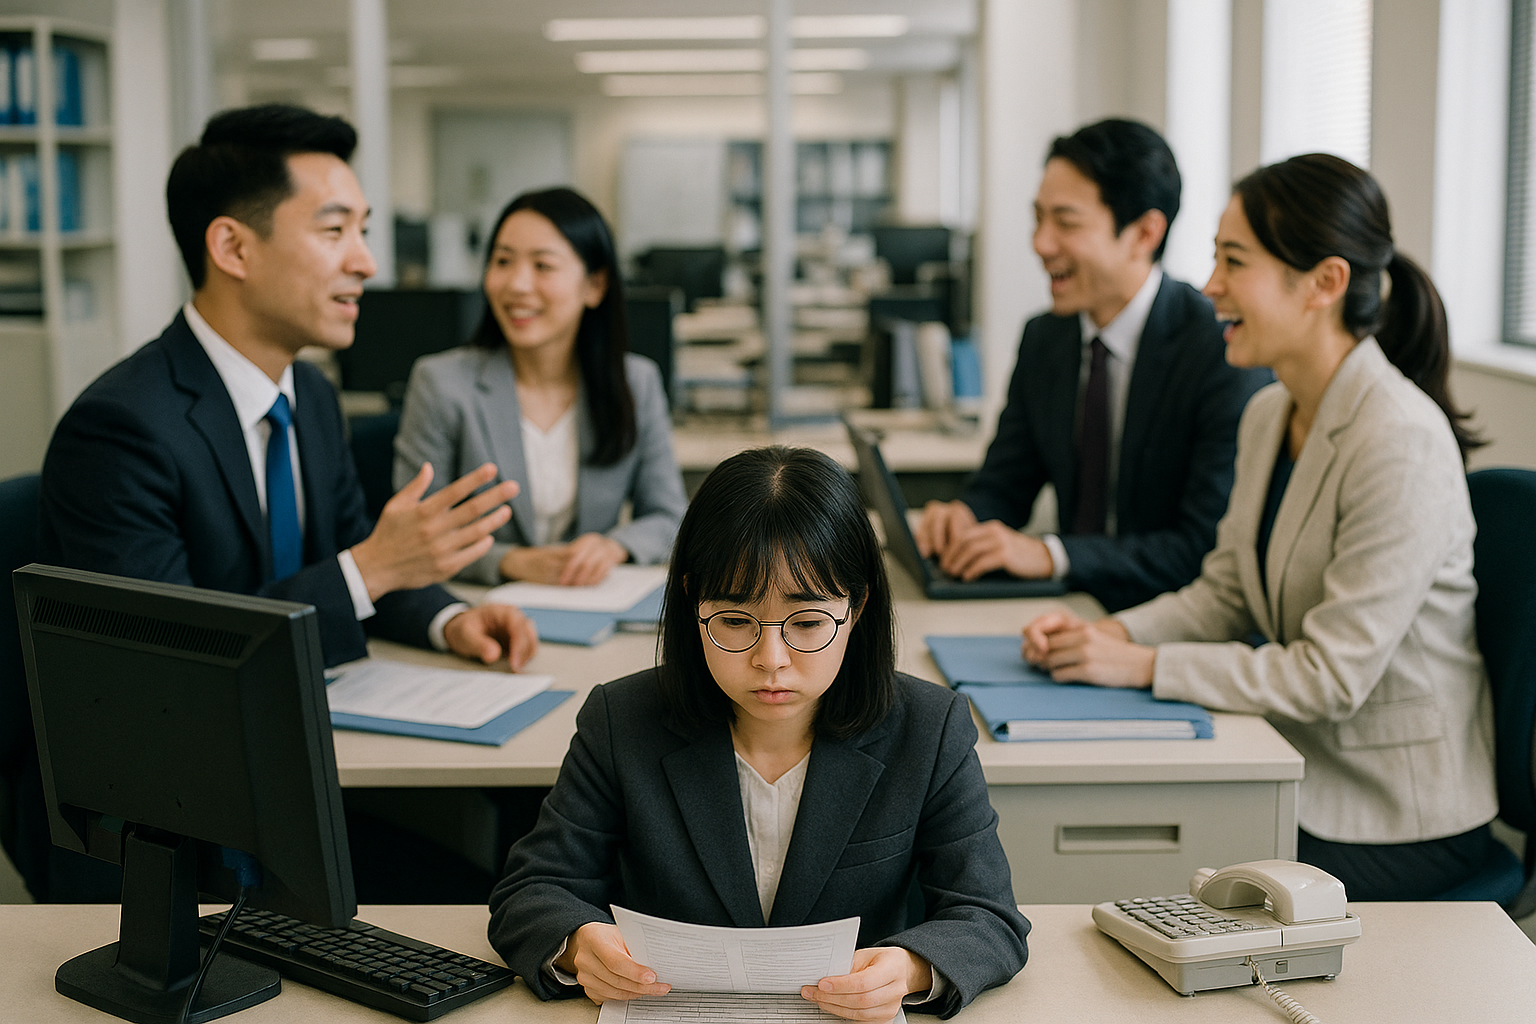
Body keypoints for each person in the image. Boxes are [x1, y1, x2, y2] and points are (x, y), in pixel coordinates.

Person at [1021, 153, 1499, 901]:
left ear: (1324, 283)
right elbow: (1226, 595)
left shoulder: (1400, 439)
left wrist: (1145, 667)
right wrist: (1116, 634)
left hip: (1390, 817)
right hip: (1287, 762)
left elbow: (1329, 676)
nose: (1210, 285)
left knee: (1138, 868)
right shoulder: (1269, 414)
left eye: (1233, 262)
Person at [488, 446, 1030, 1020]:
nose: (771, 660)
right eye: (734, 621)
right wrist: (576, 945)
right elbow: (531, 891)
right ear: (692, 601)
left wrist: (911, 966)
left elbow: (989, 917)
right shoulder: (622, 720)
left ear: (859, 606)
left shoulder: (929, 727)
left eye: (808, 622)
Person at [39, 103, 538, 672]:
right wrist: (372, 567)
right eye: (334, 230)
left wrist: (448, 619)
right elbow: (168, 654)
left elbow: (349, 560)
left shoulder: (311, 395)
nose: (367, 262)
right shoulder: (120, 428)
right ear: (232, 249)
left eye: (363, 230)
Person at [916, 118, 1270, 612]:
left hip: (1166, 623)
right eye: (1038, 218)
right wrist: (964, 518)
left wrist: (1050, 554)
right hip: (1066, 614)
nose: (1041, 243)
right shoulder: (1046, 337)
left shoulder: (1220, 348)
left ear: (1144, 233)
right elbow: (1005, 484)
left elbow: (1201, 547)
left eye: (1066, 222)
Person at [394, 187, 687, 587]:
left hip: (591, 605)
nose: (516, 284)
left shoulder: (637, 383)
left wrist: (614, 546)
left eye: (542, 266)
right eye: (502, 261)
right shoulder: (441, 384)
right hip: (479, 610)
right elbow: (414, 536)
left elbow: (669, 517)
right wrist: (510, 561)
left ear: (595, 286)